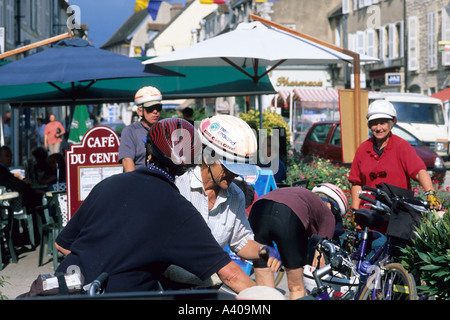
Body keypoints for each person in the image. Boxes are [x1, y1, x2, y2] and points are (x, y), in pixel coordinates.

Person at [53, 118, 256, 294]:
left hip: (64, 289)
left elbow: (62, 244)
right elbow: (230, 276)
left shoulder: (107, 184)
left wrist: (94, 266)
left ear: (148, 152)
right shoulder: (178, 209)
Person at [173, 115, 281, 287]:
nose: (235, 174)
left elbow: (240, 241)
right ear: (208, 158)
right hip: (169, 286)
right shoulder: (178, 185)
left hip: (206, 285)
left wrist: (263, 250)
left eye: (239, 169)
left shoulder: (235, 195)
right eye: (229, 167)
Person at [247, 183, 349, 300]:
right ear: (331, 207)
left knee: (264, 289)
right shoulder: (328, 214)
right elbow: (318, 261)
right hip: (288, 215)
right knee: (296, 287)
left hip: (259, 209)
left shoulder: (303, 196)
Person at [349, 100, 442, 226]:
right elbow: (357, 183)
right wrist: (355, 212)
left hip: (397, 215)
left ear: (392, 123)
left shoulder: (401, 146)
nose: (378, 128)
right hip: (370, 214)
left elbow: (419, 172)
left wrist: (430, 193)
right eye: (374, 124)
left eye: (382, 123)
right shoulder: (363, 149)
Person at [118, 86, 162, 172]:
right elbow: (127, 161)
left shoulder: (165, 130)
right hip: (140, 180)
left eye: (158, 108)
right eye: (150, 108)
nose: (155, 111)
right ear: (140, 111)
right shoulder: (130, 131)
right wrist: (135, 184)